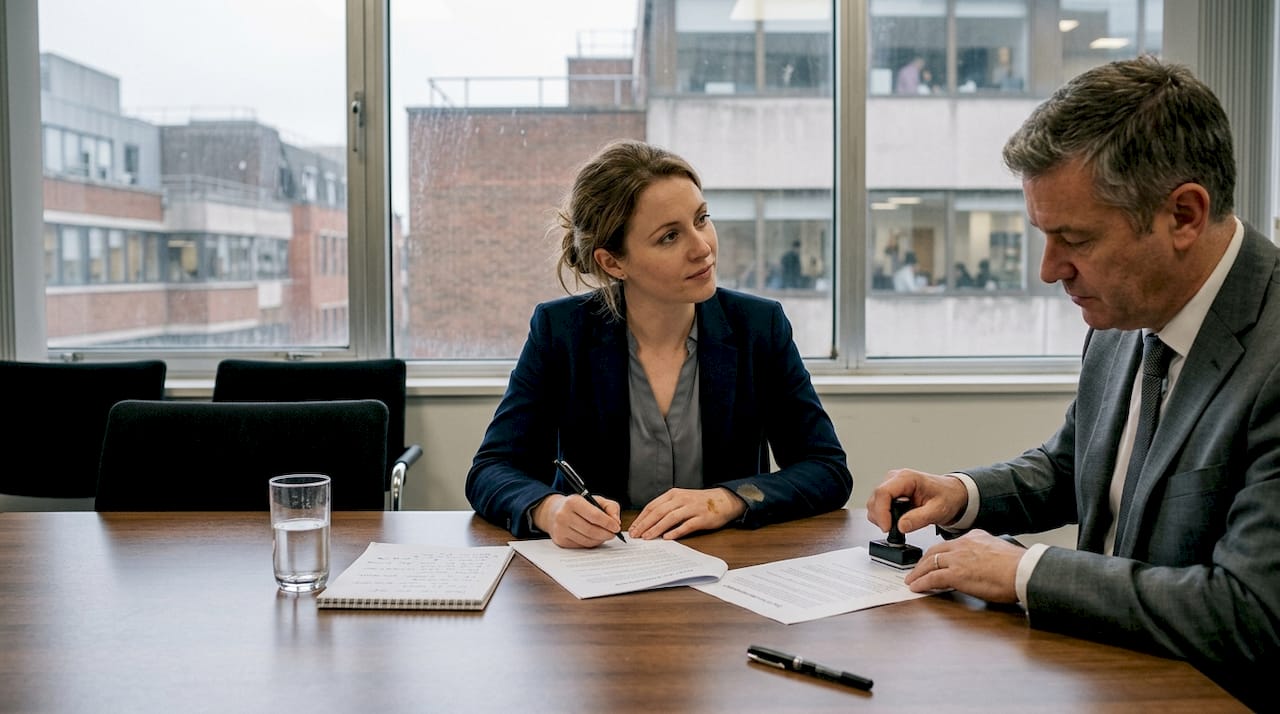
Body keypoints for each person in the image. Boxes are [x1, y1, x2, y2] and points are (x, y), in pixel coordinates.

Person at [865, 55, 1277, 710]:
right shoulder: (1125, 313)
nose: (1049, 270)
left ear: (1185, 215)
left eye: (1074, 238)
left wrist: (1025, 571)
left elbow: (1249, 614)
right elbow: (1073, 468)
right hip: (1100, 679)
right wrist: (962, 493)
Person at [467, 139, 852, 549]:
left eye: (701, 219)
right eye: (670, 237)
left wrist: (728, 500)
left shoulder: (759, 326)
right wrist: (550, 509)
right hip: (599, 573)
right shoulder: (561, 332)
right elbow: (491, 469)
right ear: (613, 262)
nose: (702, 247)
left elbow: (826, 468)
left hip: (728, 573)